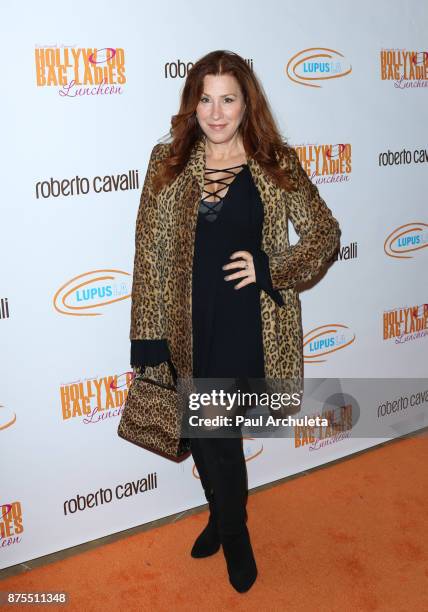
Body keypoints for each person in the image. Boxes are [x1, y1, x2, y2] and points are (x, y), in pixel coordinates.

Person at [129, 50, 341, 594]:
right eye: (205, 99)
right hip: (184, 324)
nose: (215, 112)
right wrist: (148, 336)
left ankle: (234, 532)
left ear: (248, 104)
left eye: (228, 99)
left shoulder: (275, 161)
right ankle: (220, 514)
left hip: (246, 322)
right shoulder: (168, 160)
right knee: (201, 433)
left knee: (219, 433)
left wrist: (272, 266)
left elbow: (323, 233)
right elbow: (149, 254)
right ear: (192, 102)